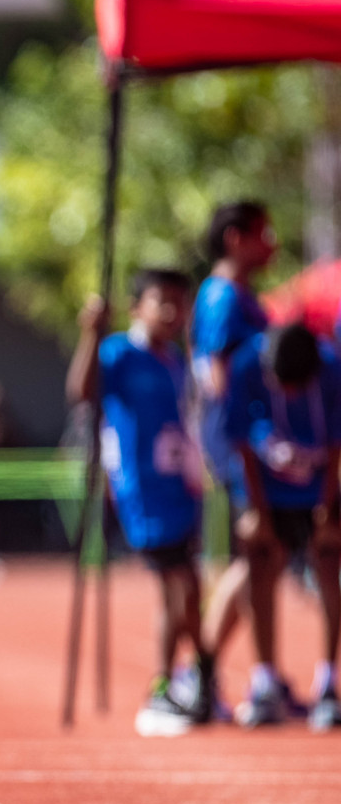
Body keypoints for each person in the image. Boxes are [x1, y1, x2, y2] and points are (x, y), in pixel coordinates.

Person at [67, 271, 216, 736]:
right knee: (176, 586)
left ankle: (198, 674)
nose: (172, 313)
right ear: (138, 308)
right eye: (161, 303)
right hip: (144, 492)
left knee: (189, 586)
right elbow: (82, 392)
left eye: (180, 303)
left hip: (181, 487)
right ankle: (164, 685)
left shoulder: (174, 359)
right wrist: (91, 335)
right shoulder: (119, 353)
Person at [223, 324, 341, 731]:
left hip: (319, 487)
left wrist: (327, 509)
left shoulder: (331, 367)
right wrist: (258, 510)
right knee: (261, 569)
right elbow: (239, 440)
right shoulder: (245, 365)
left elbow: (336, 444)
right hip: (268, 490)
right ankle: (266, 680)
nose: (288, 393)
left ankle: (328, 682)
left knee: (328, 570)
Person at [192, 201, 278, 674]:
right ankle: (199, 670)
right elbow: (216, 376)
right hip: (238, 446)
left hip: (249, 443)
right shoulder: (222, 296)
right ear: (236, 238)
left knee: (266, 556)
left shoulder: (237, 295)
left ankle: (211, 669)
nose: (274, 244)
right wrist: (234, 446)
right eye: (264, 233)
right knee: (258, 551)